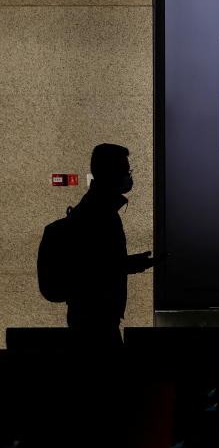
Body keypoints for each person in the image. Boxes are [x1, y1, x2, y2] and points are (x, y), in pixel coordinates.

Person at [66, 144, 153, 348]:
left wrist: (131, 263)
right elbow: (98, 268)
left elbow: (101, 262)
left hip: (92, 317)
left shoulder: (92, 208)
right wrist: (132, 264)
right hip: (96, 319)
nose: (127, 176)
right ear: (110, 173)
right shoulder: (99, 213)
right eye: (124, 171)